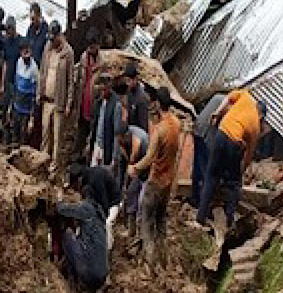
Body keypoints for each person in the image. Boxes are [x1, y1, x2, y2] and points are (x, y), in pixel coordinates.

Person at [197, 90, 267, 228]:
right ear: (261, 116)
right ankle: (230, 221)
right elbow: (248, 155)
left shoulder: (246, 97)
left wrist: (217, 112)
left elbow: (228, 98)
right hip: (233, 143)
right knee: (233, 185)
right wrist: (241, 171)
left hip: (221, 133)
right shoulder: (256, 127)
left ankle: (200, 216)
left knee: (211, 176)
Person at [128, 87, 181, 265]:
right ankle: (164, 262)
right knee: (161, 224)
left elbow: (150, 157)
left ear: (158, 104)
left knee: (146, 223)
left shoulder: (160, 130)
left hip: (156, 181)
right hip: (168, 182)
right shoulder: (177, 124)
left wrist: (134, 168)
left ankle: (150, 266)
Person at [37, 21, 75, 176]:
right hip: (46, 99)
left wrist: (68, 103)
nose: (52, 42)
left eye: (54, 39)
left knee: (57, 137)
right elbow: (42, 72)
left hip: (59, 101)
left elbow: (71, 80)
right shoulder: (47, 48)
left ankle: (54, 167)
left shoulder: (68, 53)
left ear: (60, 35)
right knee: (45, 133)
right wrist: (39, 93)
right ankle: (43, 162)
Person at [55, 193, 110, 291]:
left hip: (89, 274)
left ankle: (71, 282)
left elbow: (61, 209)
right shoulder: (100, 219)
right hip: (103, 276)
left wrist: (59, 200)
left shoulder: (86, 209)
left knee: (67, 236)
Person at [191, 92, 227, 209]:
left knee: (197, 166)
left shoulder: (218, 97)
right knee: (205, 169)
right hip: (205, 133)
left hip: (198, 129)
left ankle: (195, 196)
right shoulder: (228, 106)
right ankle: (203, 203)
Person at [75, 30, 102, 159]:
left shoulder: (102, 64)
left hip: (94, 104)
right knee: (80, 133)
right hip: (82, 101)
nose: (90, 49)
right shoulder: (84, 58)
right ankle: (77, 157)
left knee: (92, 135)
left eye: (93, 46)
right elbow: (79, 79)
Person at [87, 75, 122, 167]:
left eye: (104, 90)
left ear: (109, 88)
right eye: (101, 90)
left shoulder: (116, 105)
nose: (102, 93)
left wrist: (114, 156)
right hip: (97, 144)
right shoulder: (99, 102)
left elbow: (116, 133)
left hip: (106, 147)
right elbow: (95, 124)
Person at [11, 38, 39, 146]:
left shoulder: (34, 68)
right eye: (23, 51)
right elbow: (16, 84)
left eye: (27, 51)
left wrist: (32, 117)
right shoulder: (18, 63)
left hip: (27, 110)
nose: (25, 54)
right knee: (14, 135)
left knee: (24, 138)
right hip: (17, 106)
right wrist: (11, 106)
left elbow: (35, 93)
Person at [123, 63, 150, 134]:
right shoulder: (129, 91)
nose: (127, 84)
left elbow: (143, 127)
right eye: (126, 81)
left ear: (135, 79)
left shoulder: (142, 98)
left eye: (129, 81)